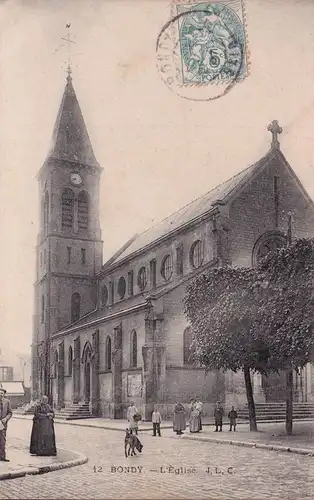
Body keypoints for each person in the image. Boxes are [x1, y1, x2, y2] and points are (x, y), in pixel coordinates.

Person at [0, 387, 12, 462]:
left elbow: (10, 413)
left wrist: (6, 419)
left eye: (1, 393)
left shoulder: (7, 402)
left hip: (2, 424)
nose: (0, 395)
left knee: (2, 440)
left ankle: (2, 457)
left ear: (4, 394)